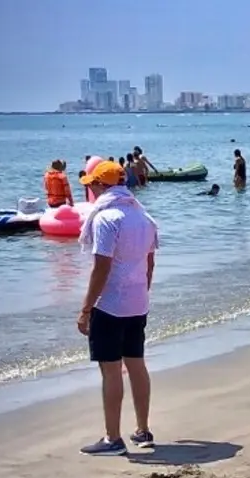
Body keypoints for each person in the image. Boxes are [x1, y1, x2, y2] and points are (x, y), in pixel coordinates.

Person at [76, 160, 159, 456]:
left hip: (110, 305)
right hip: (138, 303)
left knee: (111, 372)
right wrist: (141, 293)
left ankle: (113, 438)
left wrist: (86, 308)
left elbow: (101, 267)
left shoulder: (106, 219)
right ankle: (143, 430)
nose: (90, 190)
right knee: (136, 365)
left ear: (101, 186)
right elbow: (149, 264)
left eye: (91, 185)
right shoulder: (144, 217)